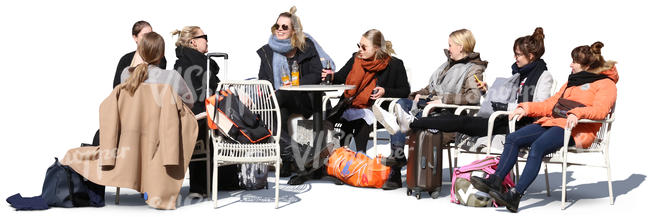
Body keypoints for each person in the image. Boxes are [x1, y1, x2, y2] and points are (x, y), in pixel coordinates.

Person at [470, 41, 618, 212]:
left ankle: (515, 195)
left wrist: (577, 113)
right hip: (552, 122)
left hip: (576, 130)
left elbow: (600, 111)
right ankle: (496, 180)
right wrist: (526, 108)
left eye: (574, 62)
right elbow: (550, 104)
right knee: (513, 138)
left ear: (588, 65)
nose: (571, 64)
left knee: (537, 147)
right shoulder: (572, 81)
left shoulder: (606, 85)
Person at [372, 29, 488, 189]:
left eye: (450, 45)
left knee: (399, 119)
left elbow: (473, 97)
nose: (448, 48)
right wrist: (418, 95)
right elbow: (431, 88)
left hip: (446, 114)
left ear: (460, 47)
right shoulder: (447, 65)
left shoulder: (474, 69)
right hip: (428, 107)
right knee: (401, 104)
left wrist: (443, 99)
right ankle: (399, 143)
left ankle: (395, 171)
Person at [257, 6, 334, 177]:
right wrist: (265, 91)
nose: (280, 30)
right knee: (278, 111)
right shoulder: (267, 51)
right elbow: (263, 78)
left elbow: (316, 73)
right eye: (277, 26)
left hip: (305, 98)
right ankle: (289, 157)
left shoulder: (306, 47)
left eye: (285, 27)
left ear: (294, 31)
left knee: (280, 96)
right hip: (282, 100)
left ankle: (301, 158)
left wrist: (295, 84)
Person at [325, 29, 410, 156]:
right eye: (359, 46)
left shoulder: (394, 64)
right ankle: (338, 159)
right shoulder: (356, 58)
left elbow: (404, 91)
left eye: (364, 47)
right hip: (351, 105)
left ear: (376, 48)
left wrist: (385, 91)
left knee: (361, 119)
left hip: (376, 110)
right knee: (325, 120)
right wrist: (331, 76)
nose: (360, 50)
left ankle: (358, 157)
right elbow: (341, 77)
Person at [172, 25, 221, 198]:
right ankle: (206, 185)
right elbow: (209, 92)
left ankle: (203, 185)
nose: (207, 40)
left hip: (190, 116)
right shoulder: (199, 63)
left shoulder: (184, 61)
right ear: (193, 42)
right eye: (204, 36)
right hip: (199, 115)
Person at [120, 32, 193, 106]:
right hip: (164, 117)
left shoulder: (126, 73)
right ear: (162, 54)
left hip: (133, 117)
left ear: (140, 52)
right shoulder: (172, 76)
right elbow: (189, 103)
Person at [113, 21, 167, 88]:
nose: (148, 39)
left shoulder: (159, 58)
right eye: (145, 35)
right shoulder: (125, 59)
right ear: (135, 37)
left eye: (150, 34)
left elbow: (158, 84)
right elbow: (116, 87)